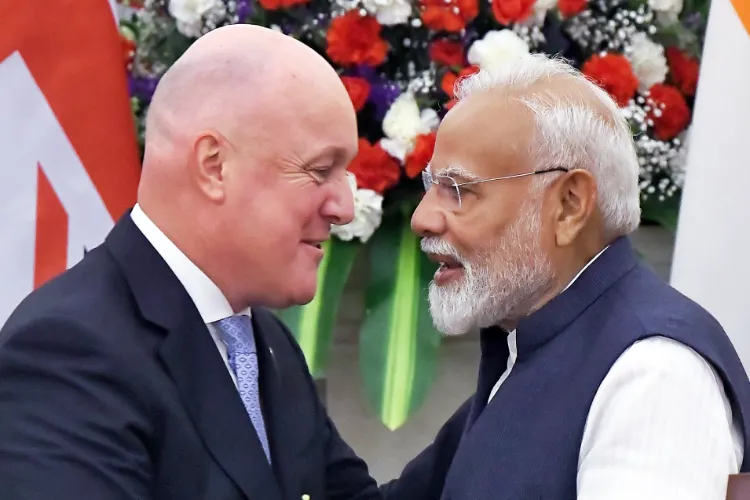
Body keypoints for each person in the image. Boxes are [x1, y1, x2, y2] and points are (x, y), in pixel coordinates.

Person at [0, 24, 382, 500]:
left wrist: (502, 380)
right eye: (320, 171)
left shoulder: (263, 342)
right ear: (214, 166)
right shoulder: (67, 352)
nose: (345, 208)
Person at [381, 53, 750, 500]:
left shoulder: (655, 374)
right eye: (429, 187)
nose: (423, 218)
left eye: (458, 190)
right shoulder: (532, 343)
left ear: (570, 205)